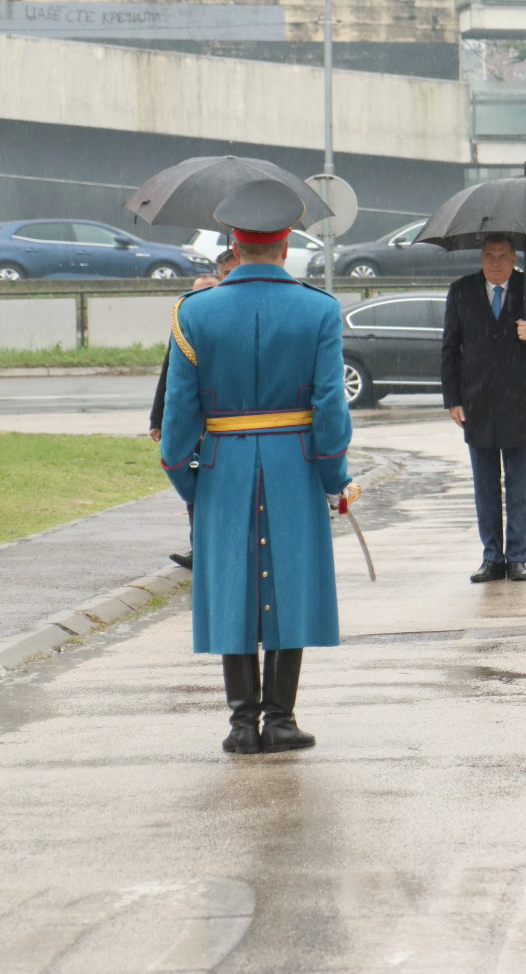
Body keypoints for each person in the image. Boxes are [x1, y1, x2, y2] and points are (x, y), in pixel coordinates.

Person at [158, 180, 355, 755]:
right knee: (290, 583)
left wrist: (190, 481)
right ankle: (282, 718)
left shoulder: (194, 312)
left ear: (235, 244)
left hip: (223, 467)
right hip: (294, 464)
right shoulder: (319, 309)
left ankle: (243, 723)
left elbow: (177, 424)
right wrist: (334, 478)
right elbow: (330, 411)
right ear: (286, 242)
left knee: (232, 588)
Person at [441, 232, 526, 584]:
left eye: (501, 256)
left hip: (520, 404)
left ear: (514, 259)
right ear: (480, 258)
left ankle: (516, 557)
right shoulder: (462, 290)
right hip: (477, 404)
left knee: (518, 487)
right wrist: (453, 399)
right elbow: (450, 349)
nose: (494, 263)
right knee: (485, 488)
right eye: (488, 256)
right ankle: (491, 557)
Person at [152, 247, 240, 569]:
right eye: (228, 273)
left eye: (238, 270)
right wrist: (157, 418)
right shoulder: (192, 318)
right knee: (198, 493)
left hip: (232, 433)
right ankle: (200, 547)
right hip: (204, 429)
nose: (233, 278)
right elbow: (172, 379)